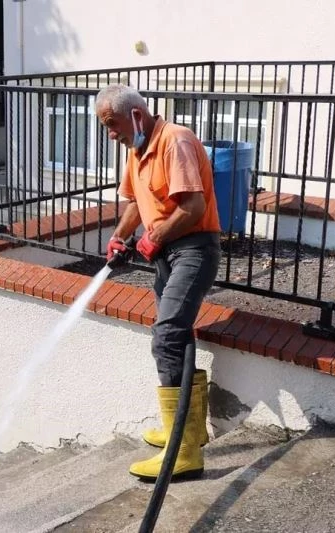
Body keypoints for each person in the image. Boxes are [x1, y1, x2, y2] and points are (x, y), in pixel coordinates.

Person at [96, 84, 221, 481]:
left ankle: (183, 453)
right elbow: (137, 203)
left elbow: (193, 207)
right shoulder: (138, 151)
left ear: (135, 115)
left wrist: (157, 236)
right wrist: (121, 236)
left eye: (112, 124)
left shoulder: (175, 141)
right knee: (178, 336)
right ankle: (190, 429)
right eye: (105, 127)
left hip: (194, 249)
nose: (110, 134)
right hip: (170, 251)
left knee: (167, 335)